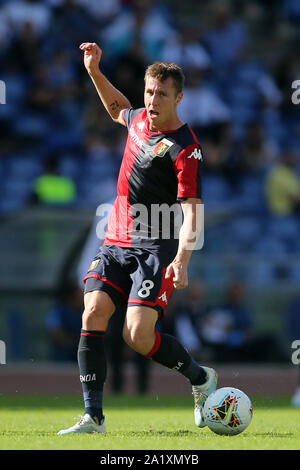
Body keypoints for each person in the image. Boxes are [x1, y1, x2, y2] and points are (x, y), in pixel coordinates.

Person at [57, 42, 218, 435]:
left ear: (179, 98)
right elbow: (116, 108)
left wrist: (182, 258)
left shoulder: (186, 149)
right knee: (93, 312)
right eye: (149, 91)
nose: (152, 99)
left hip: (157, 247)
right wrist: (94, 71)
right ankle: (93, 417)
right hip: (115, 239)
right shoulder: (137, 121)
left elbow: (192, 210)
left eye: (162, 94)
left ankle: (200, 378)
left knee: (137, 335)